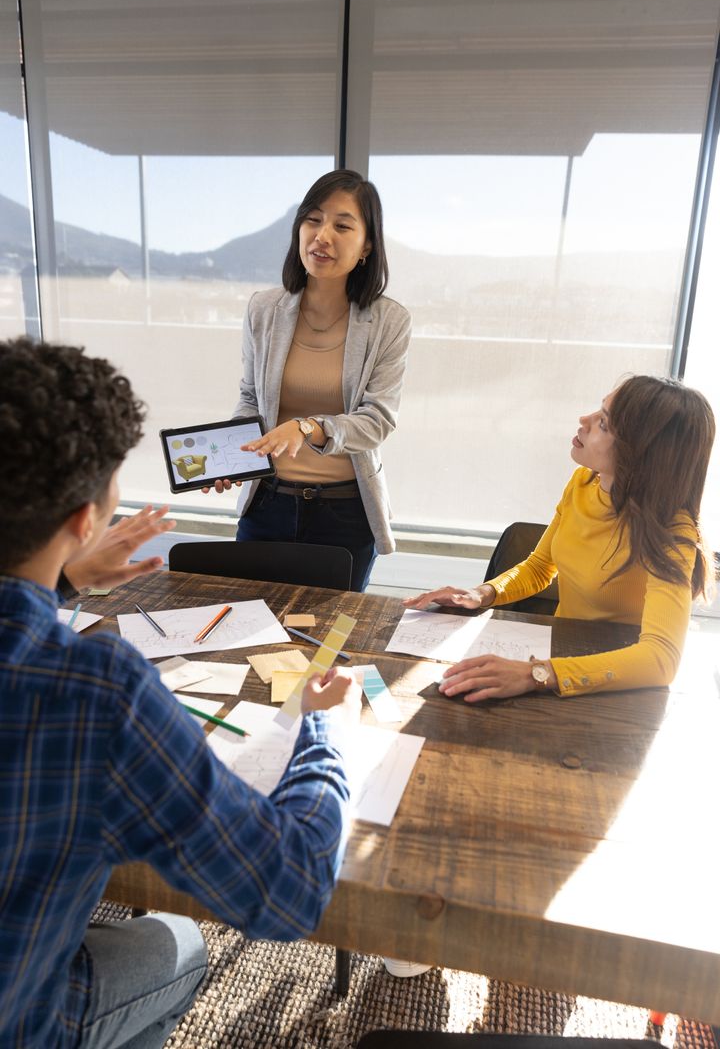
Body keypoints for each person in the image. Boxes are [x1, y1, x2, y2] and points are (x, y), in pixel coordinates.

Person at [0, 337, 361, 1049]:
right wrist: (326, 733)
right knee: (180, 943)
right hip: (22, 1021)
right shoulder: (94, 692)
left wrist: (64, 581)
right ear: (84, 519)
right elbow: (285, 892)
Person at [405, 375, 715, 702]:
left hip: (615, 684)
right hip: (559, 657)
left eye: (604, 424)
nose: (584, 420)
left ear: (642, 453)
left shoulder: (673, 532)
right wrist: (482, 593)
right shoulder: (584, 482)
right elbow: (540, 567)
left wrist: (537, 674)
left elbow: (660, 659)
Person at [206, 169, 411, 592]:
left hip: (345, 514)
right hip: (268, 504)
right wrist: (234, 454)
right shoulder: (263, 309)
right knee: (249, 630)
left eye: (342, 225)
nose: (322, 236)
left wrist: (309, 427)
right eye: (312, 220)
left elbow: (377, 420)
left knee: (329, 645)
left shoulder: (389, 320)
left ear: (367, 245)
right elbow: (251, 398)